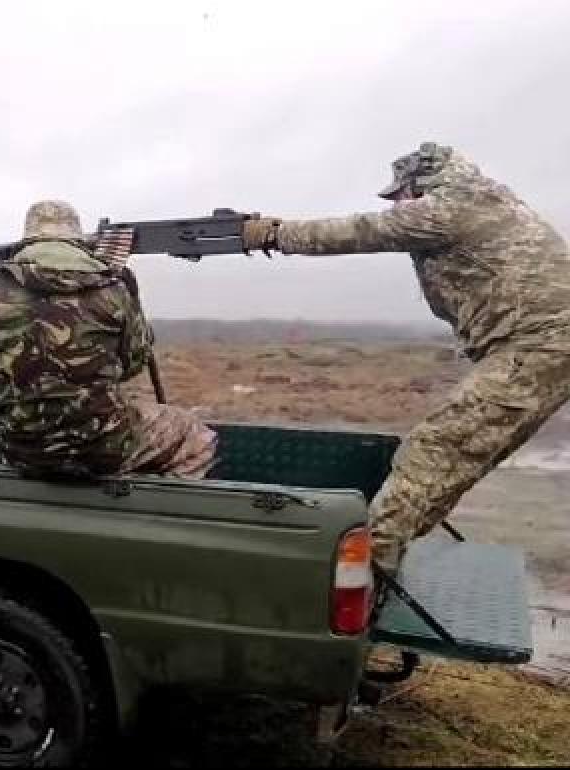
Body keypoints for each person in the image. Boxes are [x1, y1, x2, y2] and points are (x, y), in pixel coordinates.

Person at [241, 142, 570, 571]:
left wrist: (272, 232)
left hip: (539, 344)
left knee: (436, 449)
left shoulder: (454, 205)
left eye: (401, 194)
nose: (398, 203)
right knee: (454, 459)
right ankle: (385, 555)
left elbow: (360, 231)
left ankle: (365, 571)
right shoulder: (483, 201)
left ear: (423, 182)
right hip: (540, 344)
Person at [0, 200, 217, 480]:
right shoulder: (112, 289)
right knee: (196, 436)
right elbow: (133, 364)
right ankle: (155, 512)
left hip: (22, 453)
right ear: (78, 240)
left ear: (27, 239)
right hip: (104, 449)